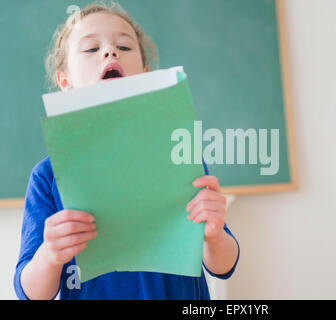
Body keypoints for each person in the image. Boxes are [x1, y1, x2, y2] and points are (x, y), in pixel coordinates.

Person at [14, 1, 239, 300]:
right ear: (65, 81)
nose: (110, 52)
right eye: (91, 49)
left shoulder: (180, 156)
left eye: (124, 45)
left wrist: (214, 234)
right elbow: (29, 292)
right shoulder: (47, 175)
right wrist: (49, 255)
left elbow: (223, 265)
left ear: (146, 74)